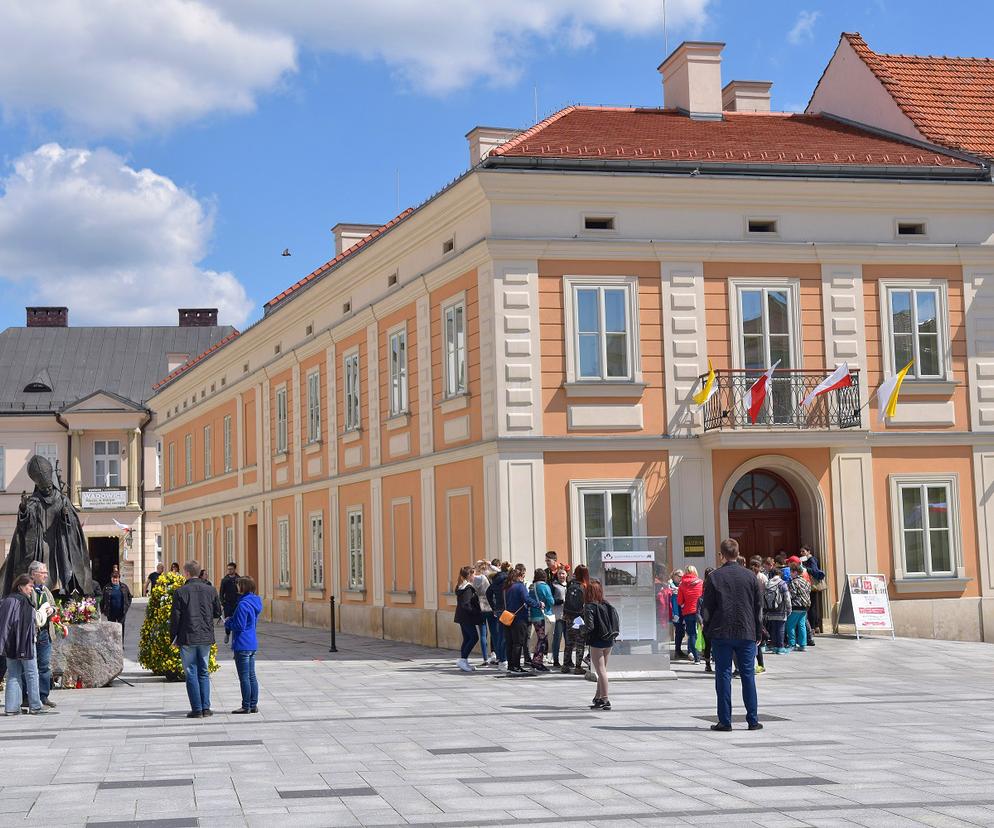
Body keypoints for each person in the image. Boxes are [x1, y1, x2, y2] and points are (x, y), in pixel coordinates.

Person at [700, 538, 763, 732]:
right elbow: (758, 607)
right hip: (746, 631)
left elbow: (707, 608)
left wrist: (707, 630)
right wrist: (758, 631)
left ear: (722, 555)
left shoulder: (715, 577)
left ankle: (725, 721)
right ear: (738, 553)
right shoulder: (751, 576)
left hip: (721, 632)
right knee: (747, 675)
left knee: (723, 675)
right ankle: (752, 720)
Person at [169, 560, 222, 718]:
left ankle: (197, 709)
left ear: (186, 573)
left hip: (187, 637)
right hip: (205, 636)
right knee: (203, 671)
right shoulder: (211, 590)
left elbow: (175, 618)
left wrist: (173, 638)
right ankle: (206, 708)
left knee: (191, 672)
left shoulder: (180, 592)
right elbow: (217, 612)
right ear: (199, 572)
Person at [0, 575, 53, 715]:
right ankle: (35, 706)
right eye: (29, 586)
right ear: (21, 586)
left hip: (10, 644)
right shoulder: (24, 601)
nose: (31, 589)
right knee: (32, 673)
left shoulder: (6, 600)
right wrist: (43, 611)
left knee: (13, 674)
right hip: (25, 643)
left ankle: (11, 708)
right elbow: (33, 622)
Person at [579, 579, 619, 710]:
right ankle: (598, 697)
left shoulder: (589, 606)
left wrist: (580, 627)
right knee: (602, 670)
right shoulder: (606, 604)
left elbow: (589, 627)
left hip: (597, 641)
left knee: (601, 671)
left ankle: (606, 699)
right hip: (609, 640)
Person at [225, 576, 262, 714]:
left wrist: (228, 622)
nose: (236, 587)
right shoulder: (255, 601)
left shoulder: (243, 604)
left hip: (242, 643)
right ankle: (253, 704)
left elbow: (239, 625)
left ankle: (245, 705)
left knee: (244, 677)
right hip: (252, 642)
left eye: (238, 584)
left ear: (243, 587)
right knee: (252, 676)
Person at [27, 561, 57, 709]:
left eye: (46, 572)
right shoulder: (28, 589)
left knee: (44, 666)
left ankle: (43, 696)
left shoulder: (45, 590)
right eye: (43, 572)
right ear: (33, 574)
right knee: (29, 666)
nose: (46, 575)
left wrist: (52, 610)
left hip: (45, 633)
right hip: (31, 633)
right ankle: (27, 697)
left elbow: (54, 606)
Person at [502, 567, 539, 675]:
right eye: (523, 576)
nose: (524, 578)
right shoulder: (520, 586)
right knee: (518, 643)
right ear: (519, 576)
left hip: (508, 618)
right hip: (519, 618)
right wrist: (538, 604)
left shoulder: (506, 587)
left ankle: (510, 665)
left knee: (510, 643)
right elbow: (526, 599)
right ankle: (516, 666)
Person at [561, 564, 589, 674]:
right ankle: (578, 667)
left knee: (569, 642)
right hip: (580, 618)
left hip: (569, 616)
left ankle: (565, 665)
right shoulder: (584, 586)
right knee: (580, 642)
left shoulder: (570, 584)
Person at [454, 566, 483, 672]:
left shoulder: (460, 586)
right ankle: (462, 660)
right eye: (473, 574)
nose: (474, 576)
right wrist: (475, 612)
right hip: (467, 617)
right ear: (469, 575)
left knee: (467, 638)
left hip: (462, 617)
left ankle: (464, 661)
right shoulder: (468, 588)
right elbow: (466, 604)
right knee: (474, 637)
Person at [528, 569, 554, 672]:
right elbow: (551, 601)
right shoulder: (544, 586)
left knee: (540, 638)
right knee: (542, 639)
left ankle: (536, 660)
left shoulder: (531, 587)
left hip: (534, 616)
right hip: (543, 615)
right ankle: (538, 662)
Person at [678, 566, 704, 665]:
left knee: (692, 635)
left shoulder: (682, 584)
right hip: (700, 612)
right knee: (703, 634)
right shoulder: (701, 583)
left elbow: (680, 601)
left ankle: (696, 658)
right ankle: (707, 656)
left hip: (688, 612)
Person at [763, 565, 791, 655]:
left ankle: (774, 646)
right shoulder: (782, 583)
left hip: (770, 609)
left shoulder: (768, 583)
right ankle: (780, 647)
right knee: (780, 628)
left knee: (773, 628)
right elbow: (787, 597)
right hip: (780, 609)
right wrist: (789, 608)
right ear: (779, 574)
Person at [472, 562, 496, 666]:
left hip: (480, 606)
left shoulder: (474, 579)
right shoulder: (487, 577)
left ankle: (485, 659)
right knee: (494, 633)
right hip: (489, 606)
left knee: (482, 634)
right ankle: (497, 656)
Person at [800, 545, 826, 637]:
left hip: (812, 586)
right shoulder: (808, 560)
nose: (801, 553)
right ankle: (815, 626)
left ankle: (813, 627)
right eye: (801, 552)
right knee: (811, 606)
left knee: (811, 607)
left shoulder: (812, 560)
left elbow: (814, 571)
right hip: (810, 586)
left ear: (808, 551)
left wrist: (803, 567)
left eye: (803, 551)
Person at [786, 562, 812, 651]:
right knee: (802, 625)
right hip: (805, 606)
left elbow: (791, 595)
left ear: (795, 572)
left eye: (791, 572)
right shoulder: (806, 581)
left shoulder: (794, 582)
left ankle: (792, 644)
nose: (790, 573)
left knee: (790, 625)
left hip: (796, 606)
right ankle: (802, 644)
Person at [101, 570, 133, 641]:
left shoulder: (124, 587)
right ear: (111, 578)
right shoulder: (106, 587)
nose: (115, 579)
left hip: (121, 612)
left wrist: (127, 606)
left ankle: (121, 644)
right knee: (112, 629)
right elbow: (102, 600)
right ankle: (113, 644)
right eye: (113, 578)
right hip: (110, 612)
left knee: (121, 628)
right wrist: (102, 610)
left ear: (119, 578)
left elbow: (129, 597)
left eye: (116, 578)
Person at [219, 562, 241, 645]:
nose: (229, 570)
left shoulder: (239, 579)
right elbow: (221, 592)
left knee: (237, 620)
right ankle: (227, 633)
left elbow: (241, 591)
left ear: (234, 569)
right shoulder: (225, 580)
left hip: (237, 603)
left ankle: (235, 637)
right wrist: (222, 602)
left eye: (231, 569)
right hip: (227, 603)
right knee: (227, 620)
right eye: (228, 569)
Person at [551, 567, 568, 667]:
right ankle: (556, 660)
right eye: (560, 574)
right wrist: (561, 601)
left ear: (566, 575)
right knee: (557, 638)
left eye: (563, 573)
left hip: (569, 615)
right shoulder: (554, 585)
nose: (561, 575)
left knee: (568, 640)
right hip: (558, 615)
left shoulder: (570, 585)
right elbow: (551, 600)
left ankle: (567, 660)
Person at [668, 569, 685, 659]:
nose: (681, 578)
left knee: (681, 632)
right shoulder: (670, 585)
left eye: (682, 576)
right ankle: (677, 650)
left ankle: (678, 650)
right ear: (674, 576)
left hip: (682, 611)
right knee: (679, 631)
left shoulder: (681, 585)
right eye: (679, 576)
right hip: (675, 612)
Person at [701, 567, 715, 672]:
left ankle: (707, 664)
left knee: (708, 644)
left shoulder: (704, 585)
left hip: (707, 619)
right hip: (713, 620)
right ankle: (711, 661)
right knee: (713, 643)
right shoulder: (714, 582)